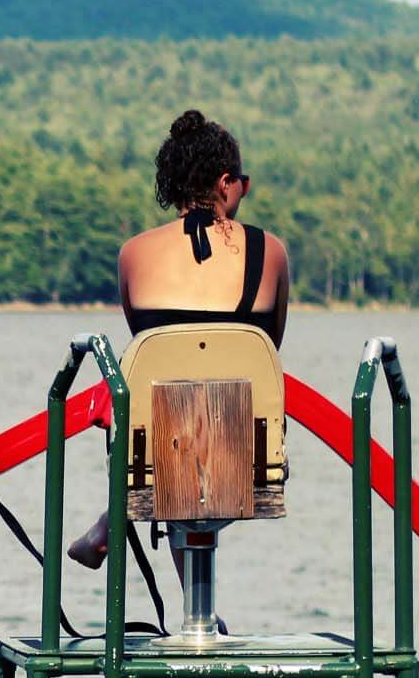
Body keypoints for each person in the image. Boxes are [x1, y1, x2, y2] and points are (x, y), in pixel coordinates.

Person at [67, 108, 290, 569]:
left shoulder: (133, 253)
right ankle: (202, 614)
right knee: (192, 428)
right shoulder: (270, 251)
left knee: (169, 428)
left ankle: (113, 523)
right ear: (227, 183)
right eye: (244, 184)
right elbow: (271, 347)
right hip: (249, 456)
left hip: (158, 455)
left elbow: (150, 355)